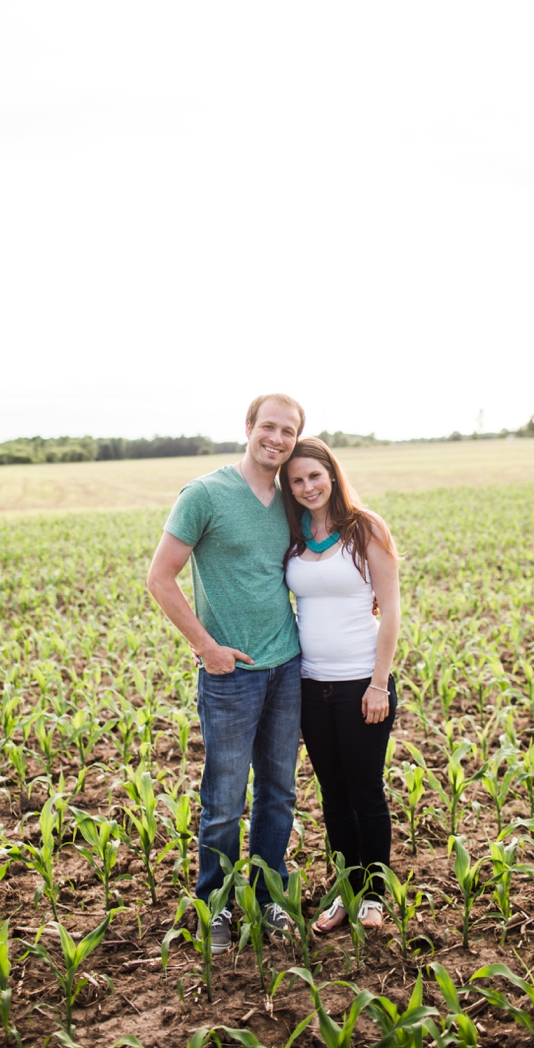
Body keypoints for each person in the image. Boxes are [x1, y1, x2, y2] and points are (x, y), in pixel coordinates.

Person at [146, 394, 307, 951]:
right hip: (231, 674)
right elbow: (160, 578)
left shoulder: (292, 500)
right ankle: (215, 907)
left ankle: (268, 899)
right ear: (248, 428)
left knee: (280, 792)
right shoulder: (204, 494)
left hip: (286, 667)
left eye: (289, 431)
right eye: (270, 427)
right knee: (222, 798)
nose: (278, 439)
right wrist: (206, 646)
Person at [280, 437, 402, 933]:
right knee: (332, 794)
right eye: (297, 480)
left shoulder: (365, 528)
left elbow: (391, 611)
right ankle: (346, 890)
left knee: (365, 791)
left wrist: (378, 684)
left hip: (361, 685)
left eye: (315, 475)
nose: (308, 487)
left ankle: (374, 896)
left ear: (332, 474)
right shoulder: (293, 534)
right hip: (312, 687)